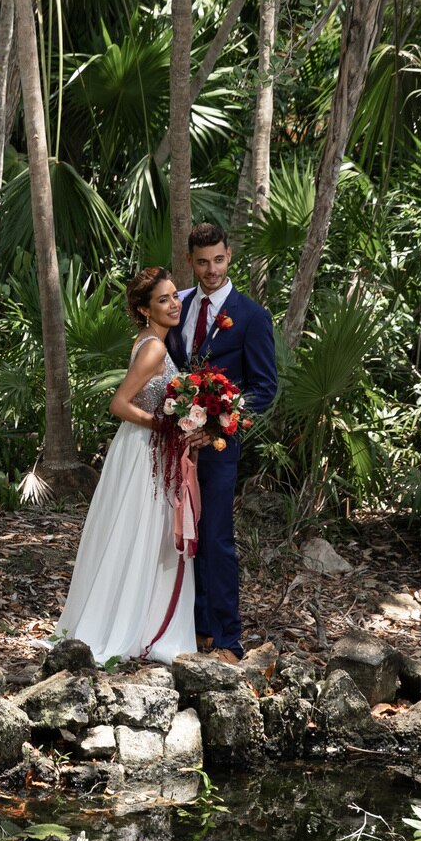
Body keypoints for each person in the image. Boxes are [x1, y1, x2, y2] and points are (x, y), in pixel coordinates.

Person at [56, 267, 203, 665]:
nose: (174, 304)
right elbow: (119, 404)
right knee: (140, 534)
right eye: (163, 299)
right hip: (145, 449)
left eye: (175, 296)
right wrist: (165, 426)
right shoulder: (154, 347)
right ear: (144, 309)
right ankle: (128, 627)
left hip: (147, 447)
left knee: (143, 535)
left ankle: (138, 621)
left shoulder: (152, 342)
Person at [164, 223, 278, 664]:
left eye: (219, 260)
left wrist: (219, 425)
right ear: (191, 262)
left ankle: (229, 638)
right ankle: (196, 629)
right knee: (180, 536)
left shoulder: (251, 316)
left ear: (229, 257)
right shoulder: (181, 305)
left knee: (214, 537)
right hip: (174, 443)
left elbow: (263, 388)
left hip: (217, 446)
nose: (211, 270)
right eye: (202, 262)